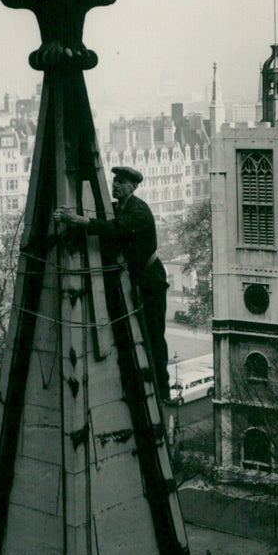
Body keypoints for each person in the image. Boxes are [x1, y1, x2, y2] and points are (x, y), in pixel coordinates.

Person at [54, 166, 170, 401]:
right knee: (145, 328)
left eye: (122, 182)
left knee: (155, 333)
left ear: (133, 186)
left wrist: (77, 219)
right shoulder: (122, 208)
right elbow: (101, 215)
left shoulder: (138, 211)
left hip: (151, 279)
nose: (115, 185)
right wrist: (69, 215)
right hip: (142, 277)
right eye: (115, 181)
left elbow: (113, 229)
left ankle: (162, 387)